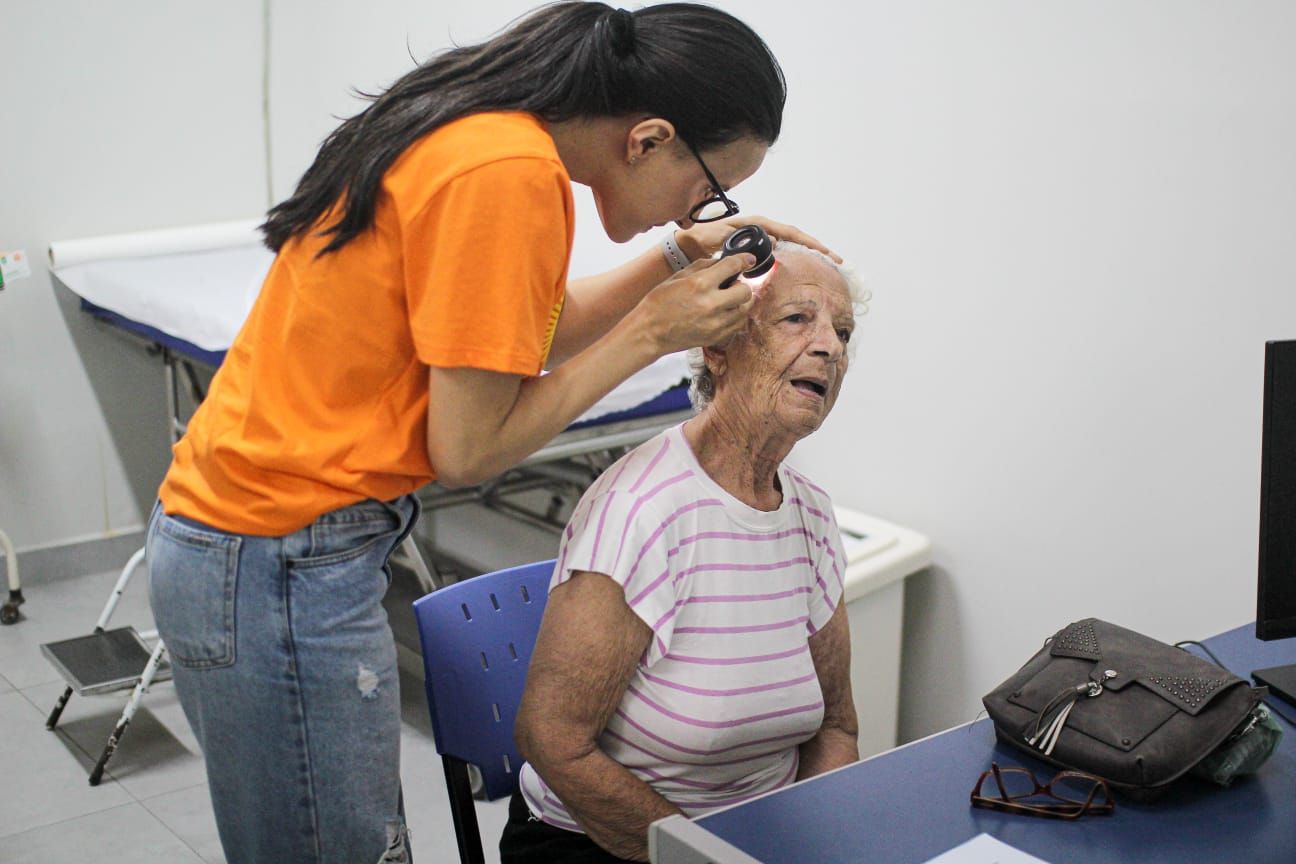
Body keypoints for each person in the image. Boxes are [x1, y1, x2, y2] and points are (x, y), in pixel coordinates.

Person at [144, 4, 835, 862]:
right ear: (649, 139)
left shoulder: (484, 136)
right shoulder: (507, 175)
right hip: (275, 553)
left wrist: (671, 263)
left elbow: (522, 334)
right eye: (708, 191)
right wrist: (650, 334)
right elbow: (467, 452)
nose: (692, 213)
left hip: (260, 540)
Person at [510, 241, 867, 863]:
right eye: (796, 319)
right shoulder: (639, 509)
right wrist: (706, 856)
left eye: (842, 332)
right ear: (717, 348)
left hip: (761, 835)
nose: (830, 348)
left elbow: (836, 726)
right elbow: (552, 738)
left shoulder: (810, 514)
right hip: (608, 841)